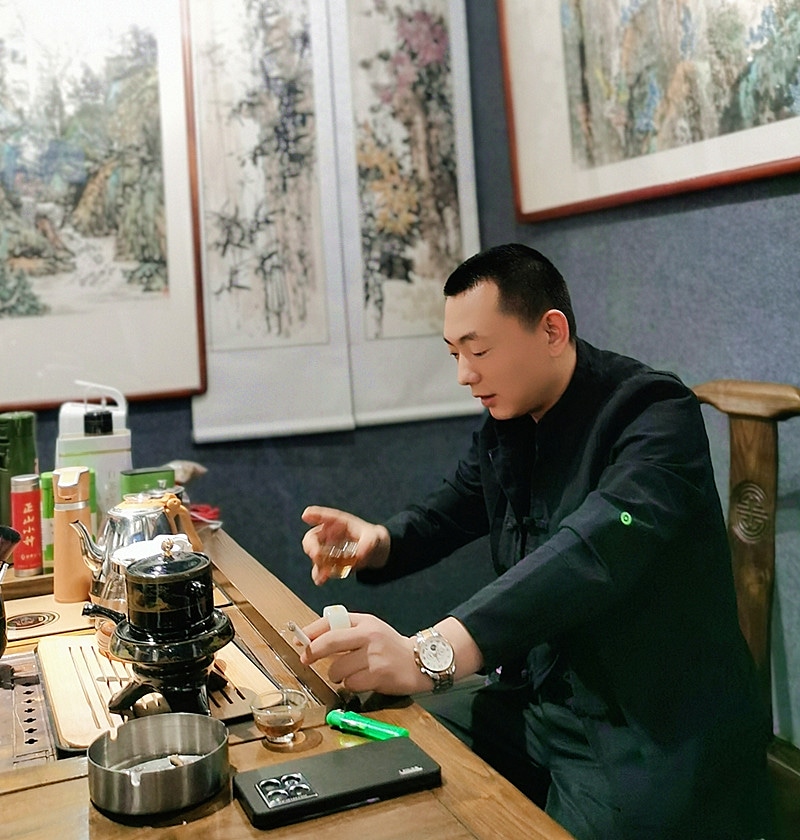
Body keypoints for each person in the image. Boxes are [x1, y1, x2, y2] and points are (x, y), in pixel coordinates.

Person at [300, 243, 771, 839]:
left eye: (478, 351)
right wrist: (378, 540)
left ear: (551, 331)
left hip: (647, 727)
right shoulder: (512, 420)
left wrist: (428, 654)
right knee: (378, 737)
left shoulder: (653, 412)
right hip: (537, 700)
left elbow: (591, 551)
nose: (464, 374)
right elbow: (453, 507)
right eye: (454, 353)